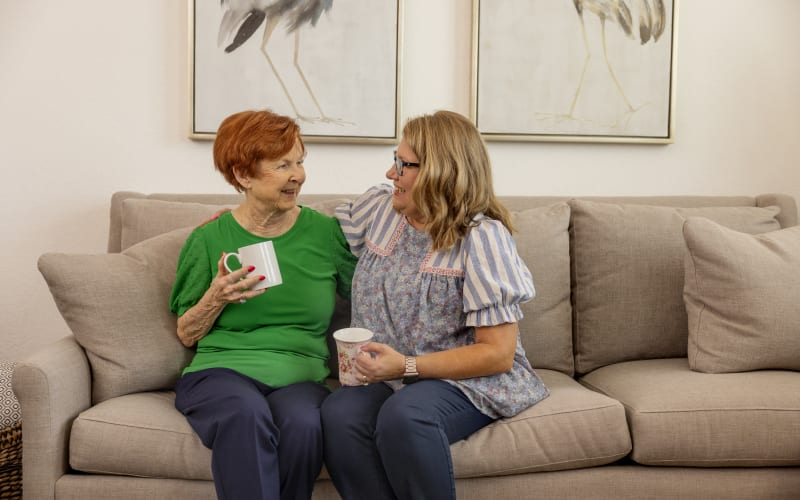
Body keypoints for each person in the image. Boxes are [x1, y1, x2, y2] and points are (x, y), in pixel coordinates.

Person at [321, 110, 550, 500]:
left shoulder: (481, 238)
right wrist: (251, 219)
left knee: (405, 416)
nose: (391, 173)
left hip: (463, 380)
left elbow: (497, 355)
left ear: (439, 172)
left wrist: (408, 366)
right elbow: (311, 229)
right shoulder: (381, 210)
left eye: (402, 164)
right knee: (339, 414)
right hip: (387, 376)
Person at [169, 109, 357, 500]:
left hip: (300, 377)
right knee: (244, 413)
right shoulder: (207, 239)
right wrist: (215, 297)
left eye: (300, 161)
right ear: (243, 175)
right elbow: (186, 333)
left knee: (304, 423)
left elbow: (371, 294)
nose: (298, 175)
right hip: (220, 373)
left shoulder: (325, 233)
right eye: (282, 164)